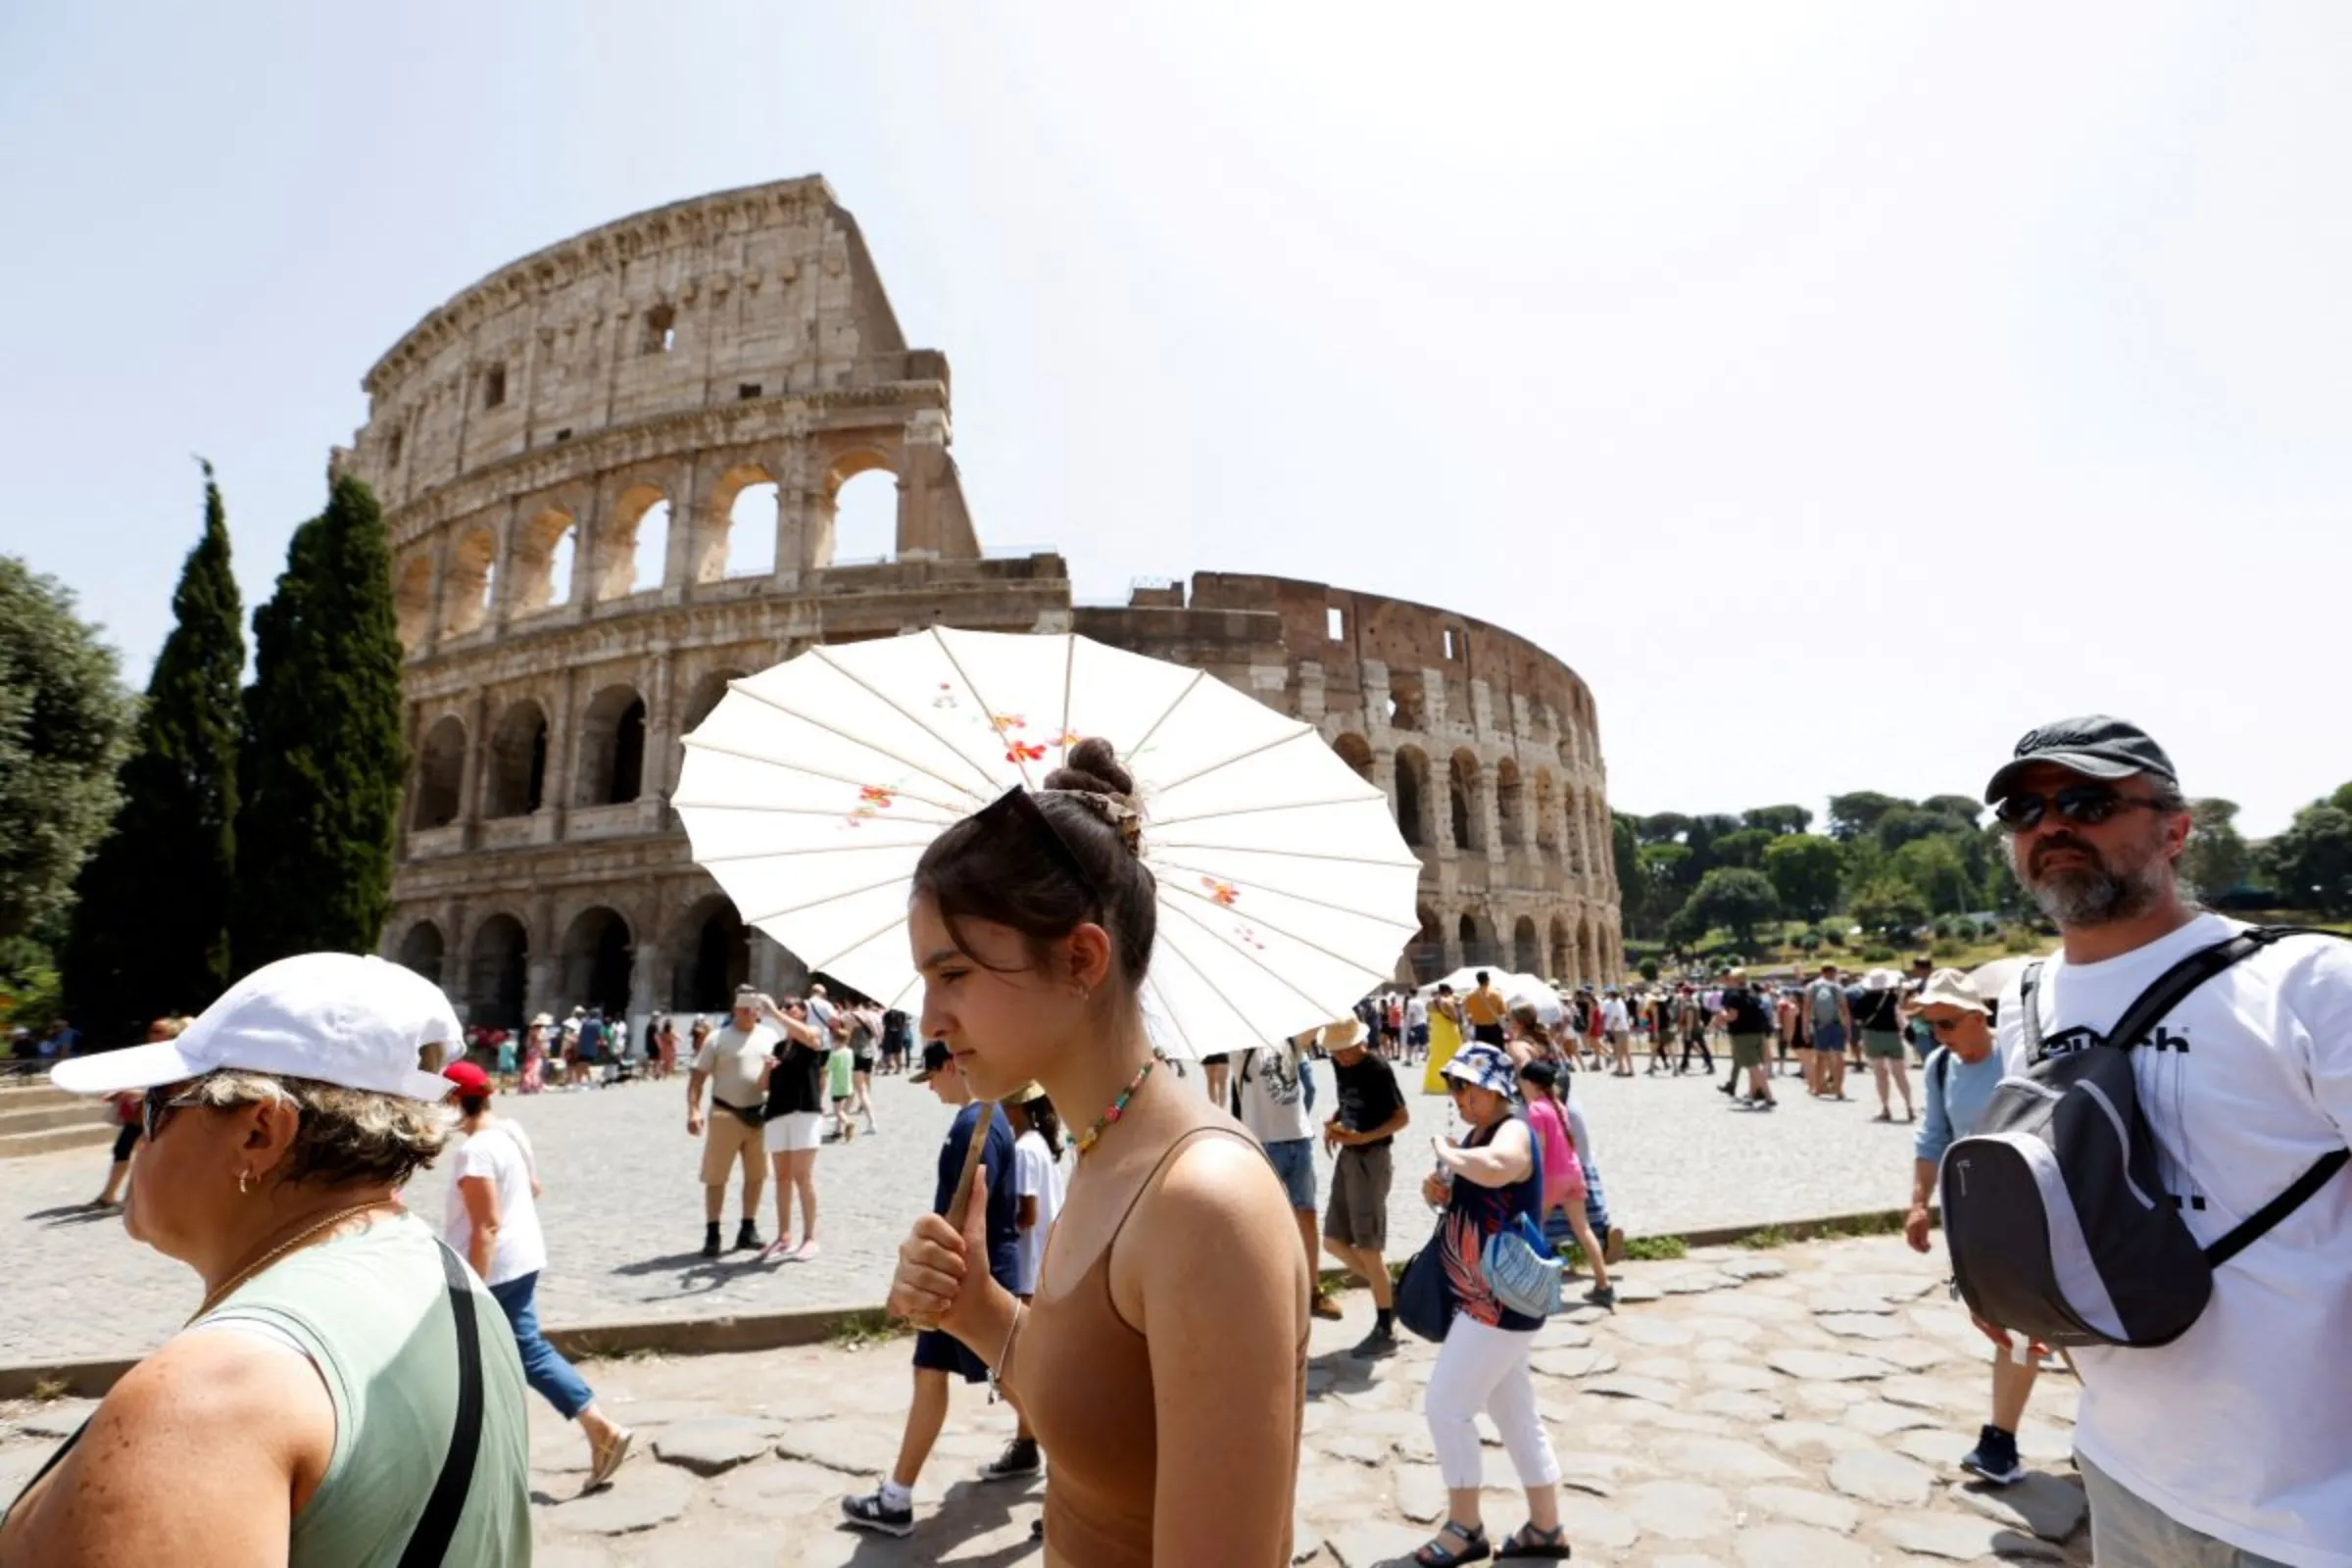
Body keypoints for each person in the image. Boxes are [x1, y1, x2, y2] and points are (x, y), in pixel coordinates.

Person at [884, 738, 1309, 1564]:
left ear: (1079, 958)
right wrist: (974, 1310)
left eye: (955, 974)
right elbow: (1101, 1420)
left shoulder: (1203, 1206)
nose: (929, 1020)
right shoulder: (1103, 1149)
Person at [3, 954, 532, 1564]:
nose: (140, 1139)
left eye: (157, 1106)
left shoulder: (207, 1399)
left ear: (259, 1131)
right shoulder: (455, 1282)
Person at [1979, 715, 2352, 1565]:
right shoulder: (2026, 999)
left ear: (2175, 830)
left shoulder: (2309, 985)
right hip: (2122, 1464)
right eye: (2024, 813)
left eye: (2086, 801)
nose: (2051, 827)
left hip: (2309, 1508)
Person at [842, 1043, 1025, 1535]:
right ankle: (900, 1493)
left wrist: (916, 1288)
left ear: (951, 1066)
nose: (932, 1090)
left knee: (1014, 1379)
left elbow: (962, 1213)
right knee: (944, 1372)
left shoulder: (974, 1125)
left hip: (962, 1277)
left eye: (932, 1079)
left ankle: (1073, 1466)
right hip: (972, 1272)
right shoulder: (987, 1120)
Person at [441, 1060, 634, 1489]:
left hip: (495, 1269)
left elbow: (486, 1225)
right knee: (510, 1352)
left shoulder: (475, 1152)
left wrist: (473, 1284)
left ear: (456, 1101)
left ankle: (600, 1428)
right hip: (525, 1257)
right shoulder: (511, 1131)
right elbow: (533, 1188)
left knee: (515, 1353)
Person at [1412, 1044, 1569, 1564]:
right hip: (1481, 1296)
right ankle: (1545, 1529)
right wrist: (1439, 1186)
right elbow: (1470, 1189)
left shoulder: (1513, 1129)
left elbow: (1502, 1168)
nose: (1457, 1096)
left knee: (1445, 1407)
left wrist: (1448, 1151)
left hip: (1498, 1301)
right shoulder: (1479, 1134)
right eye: (1453, 1085)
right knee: (1515, 1413)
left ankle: (1464, 1527)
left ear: (1495, 1089)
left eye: (1466, 1086)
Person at [1901, 967, 2041, 1489]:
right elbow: (1933, 1136)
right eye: (1931, 1026)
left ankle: (2002, 1441)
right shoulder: (1939, 1066)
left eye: (1948, 1023)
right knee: (2028, 1327)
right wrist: (1920, 1203)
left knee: (2035, 1326)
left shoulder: (2020, 1058)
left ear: (1981, 1017)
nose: (1939, 1035)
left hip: (2035, 1213)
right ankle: (2020, 1440)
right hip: (1979, 1217)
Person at [985, 1082, 1066, 1486]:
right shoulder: (1039, 1144)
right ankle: (1025, 1441)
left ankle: (1049, 1448)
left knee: (1017, 1367)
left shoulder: (1023, 1150)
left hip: (1028, 1267)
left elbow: (1028, 1213)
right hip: (1042, 1265)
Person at [1232, 1027, 1339, 1320]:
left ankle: (1313, 1291)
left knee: (1307, 1215)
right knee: (1266, 1221)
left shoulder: (1288, 1040)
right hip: (1266, 1143)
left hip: (1299, 1139)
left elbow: (1312, 1030)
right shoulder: (1243, 1048)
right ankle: (1267, 1292)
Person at [1319, 1017, 1409, 1357]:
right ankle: (1391, 1289)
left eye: (1344, 1051)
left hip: (1372, 1157)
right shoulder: (1339, 1063)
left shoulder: (1378, 1069)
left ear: (1359, 1044)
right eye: (1335, 1051)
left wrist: (1364, 1136)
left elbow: (1402, 1118)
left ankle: (1385, 1328)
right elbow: (1351, 1100)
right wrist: (1336, 1121)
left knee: (1369, 1246)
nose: (1339, 1057)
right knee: (1332, 1240)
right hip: (1349, 1155)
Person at [685, 986, 775, 1258]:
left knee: (757, 1175)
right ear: (735, 1010)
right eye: (745, 1009)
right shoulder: (717, 1038)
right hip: (726, 1113)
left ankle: (748, 1228)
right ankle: (713, 1231)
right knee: (716, 1176)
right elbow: (697, 1079)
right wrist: (693, 1111)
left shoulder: (770, 1036)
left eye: (755, 1010)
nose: (750, 1014)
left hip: (759, 1114)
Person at [1518, 1058, 1612, 1307]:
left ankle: (1533, 1288)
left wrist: (1527, 1173)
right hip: (1573, 1173)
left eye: (1522, 1081)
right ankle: (1604, 1284)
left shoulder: (1536, 1109)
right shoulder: (1557, 1104)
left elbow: (1540, 1146)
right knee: (1583, 1229)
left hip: (1551, 1177)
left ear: (1532, 1084)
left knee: (1534, 1231)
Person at [758, 995, 835, 1260]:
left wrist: (776, 1014)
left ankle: (810, 1237)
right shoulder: (779, 1047)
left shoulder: (813, 1033)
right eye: (784, 1005)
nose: (787, 1009)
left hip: (804, 1112)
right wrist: (768, 1068)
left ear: (803, 1012)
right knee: (781, 1179)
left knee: (803, 1177)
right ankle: (783, 1235)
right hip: (777, 1113)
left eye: (793, 1006)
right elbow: (763, 1086)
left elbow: (812, 1040)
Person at [93, 1016, 187, 1206]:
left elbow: (170, 1090)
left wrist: (133, 1093)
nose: (152, 1034)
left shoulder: (176, 1058)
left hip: (160, 1112)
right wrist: (119, 1092)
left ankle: (129, 1199)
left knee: (143, 1154)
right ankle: (111, 1196)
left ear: (171, 1034)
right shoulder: (148, 1055)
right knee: (123, 1149)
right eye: (152, 1030)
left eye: (158, 1031)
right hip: (140, 1113)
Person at [1854, 970, 1914, 1121]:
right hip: (1892, 1036)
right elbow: (1900, 1016)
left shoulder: (1863, 999)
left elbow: (1858, 1019)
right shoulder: (1892, 998)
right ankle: (1909, 1107)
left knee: (1880, 1075)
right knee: (1900, 1074)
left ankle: (1885, 1108)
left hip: (1872, 1036)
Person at [1716, 969, 1778, 1109]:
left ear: (1732, 980)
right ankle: (1750, 1096)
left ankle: (1769, 1096)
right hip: (1758, 1033)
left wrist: (1721, 1016)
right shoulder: (1752, 995)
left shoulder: (1733, 996)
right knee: (1754, 1066)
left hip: (1743, 1034)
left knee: (1752, 1066)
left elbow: (1733, 1016)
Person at [1804, 962, 1852, 1100]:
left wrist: (1805, 1029)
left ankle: (1817, 1088)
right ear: (1833, 972)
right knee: (1838, 1057)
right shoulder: (1837, 987)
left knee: (1820, 1057)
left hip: (1819, 1025)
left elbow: (1806, 1009)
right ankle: (1838, 1089)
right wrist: (1848, 1030)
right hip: (1836, 1024)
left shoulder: (1811, 986)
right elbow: (1844, 1010)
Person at [1462, 970, 1509, 1049]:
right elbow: (1503, 1011)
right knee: (1497, 1052)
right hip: (1494, 1029)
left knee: (1482, 1053)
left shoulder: (1470, 996)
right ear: (1488, 980)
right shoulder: (1495, 994)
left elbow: (1466, 1012)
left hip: (1479, 1030)